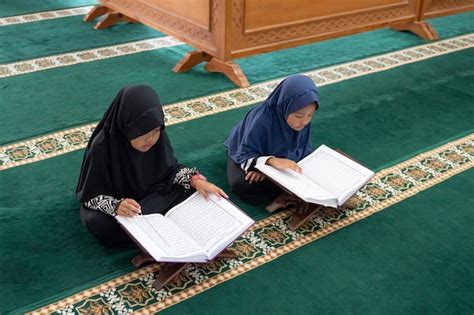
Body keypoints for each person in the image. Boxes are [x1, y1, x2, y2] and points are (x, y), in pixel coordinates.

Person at [76, 85, 227, 248]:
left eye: (156, 130)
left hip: (153, 196)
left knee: (197, 191)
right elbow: (90, 195)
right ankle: (160, 227)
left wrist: (195, 181)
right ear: (126, 125)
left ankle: (153, 231)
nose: (150, 139)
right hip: (125, 206)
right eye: (141, 132)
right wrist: (116, 206)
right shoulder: (102, 146)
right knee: (98, 222)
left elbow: (171, 169)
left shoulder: (158, 137)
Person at [224, 74, 319, 205]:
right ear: (285, 106)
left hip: (279, 163)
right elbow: (245, 153)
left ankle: (288, 192)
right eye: (298, 116)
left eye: (310, 115)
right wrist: (267, 163)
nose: (304, 122)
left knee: (312, 173)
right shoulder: (261, 120)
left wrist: (274, 168)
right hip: (247, 154)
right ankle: (290, 193)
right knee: (243, 185)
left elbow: (302, 152)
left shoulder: (302, 122)